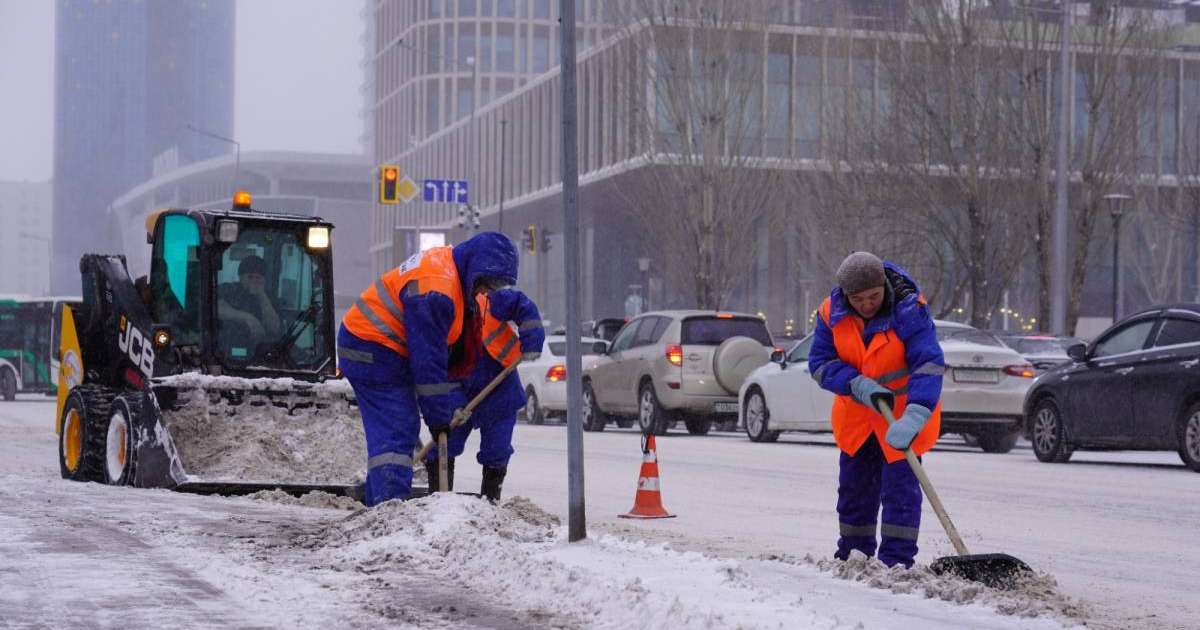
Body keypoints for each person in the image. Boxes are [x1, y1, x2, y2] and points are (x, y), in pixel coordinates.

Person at [337, 231, 519, 506]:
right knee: (397, 428)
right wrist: (438, 419)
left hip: (381, 349)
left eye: (495, 286)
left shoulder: (452, 272)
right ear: (475, 268)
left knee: (400, 428)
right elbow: (427, 362)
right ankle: (389, 510)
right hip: (371, 349)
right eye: (487, 283)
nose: (486, 292)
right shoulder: (437, 291)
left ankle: (379, 502)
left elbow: (441, 358)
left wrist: (441, 409)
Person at [808, 251, 945, 569]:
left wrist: (917, 413)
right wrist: (855, 383)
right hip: (857, 419)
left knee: (901, 495)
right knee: (854, 493)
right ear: (846, 295)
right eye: (858, 299)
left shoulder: (909, 309)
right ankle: (853, 557)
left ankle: (896, 564)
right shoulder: (831, 313)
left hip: (901, 418)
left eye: (873, 296)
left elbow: (928, 363)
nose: (867, 304)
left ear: (883, 285)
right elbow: (819, 364)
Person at [424, 287, 544, 501]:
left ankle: (490, 502)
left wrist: (532, 337)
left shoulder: (488, 301)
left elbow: (521, 305)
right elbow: (435, 368)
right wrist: (454, 403)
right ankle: (438, 501)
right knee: (444, 443)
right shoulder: (437, 320)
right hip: (459, 391)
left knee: (497, 449)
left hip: (500, 387)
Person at [218, 254, 282, 347]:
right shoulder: (228, 289)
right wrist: (247, 317)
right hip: (227, 346)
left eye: (258, 278)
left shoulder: (270, 298)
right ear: (240, 277)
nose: (254, 281)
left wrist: (262, 296)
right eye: (250, 277)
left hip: (260, 349)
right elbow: (216, 309)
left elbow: (275, 328)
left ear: (264, 279)